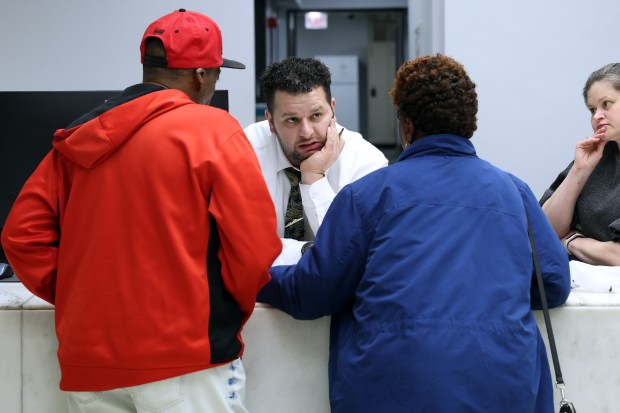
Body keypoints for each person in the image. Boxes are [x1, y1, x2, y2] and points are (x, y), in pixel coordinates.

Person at [1, 9, 281, 413]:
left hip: (90, 364)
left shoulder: (80, 135)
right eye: (217, 74)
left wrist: (81, 297)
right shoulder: (214, 130)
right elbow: (254, 251)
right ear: (200, 76)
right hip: (186, 362)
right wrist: (220, 307)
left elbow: (20, 237)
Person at [257, 54, 571, 412]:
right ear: (470, 123)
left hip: (392, 390)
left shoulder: (368, 195)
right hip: (506, 389)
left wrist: (253, 276)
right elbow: (554, 285)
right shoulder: (515, 192)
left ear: (405, 126)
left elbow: (313, 292)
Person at [244, 57, 388, 265]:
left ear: (333, 109)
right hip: (259, 288)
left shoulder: (366, 163)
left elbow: (355, 252)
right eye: (292, 120)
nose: (306, 132)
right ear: (271, 122)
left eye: (316, 115)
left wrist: (314, 178)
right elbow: (241, 242)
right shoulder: (246, 151)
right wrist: (309, 251)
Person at [540, 62, 620, 266]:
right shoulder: (599, 155)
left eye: (606, 104)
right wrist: (579, 171)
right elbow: (545, 229)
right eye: (592, 109)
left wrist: (571, 241)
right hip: (584, 290)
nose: (597, 116)